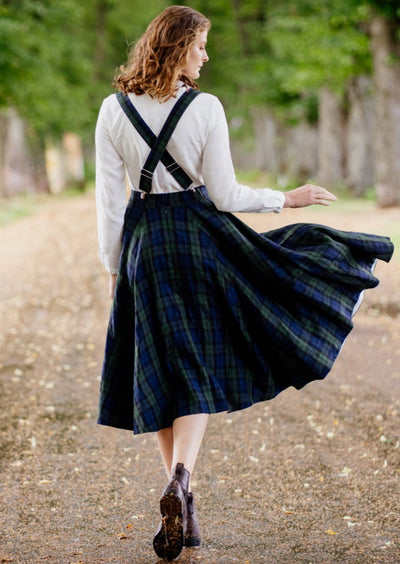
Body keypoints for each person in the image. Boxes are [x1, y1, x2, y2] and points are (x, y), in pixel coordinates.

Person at [95, 5, 393, 561]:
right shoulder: (204, 107)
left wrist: (114, 268)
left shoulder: (112, 112)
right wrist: (287, 198)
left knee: (160, 367)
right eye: (201, 45)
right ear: (179, 46)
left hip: (143, 249)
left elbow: (110, 205)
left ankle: (183, 497)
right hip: (199, 242)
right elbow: (227, 196)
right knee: (198, 367)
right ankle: (182, 479)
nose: (206, 56)